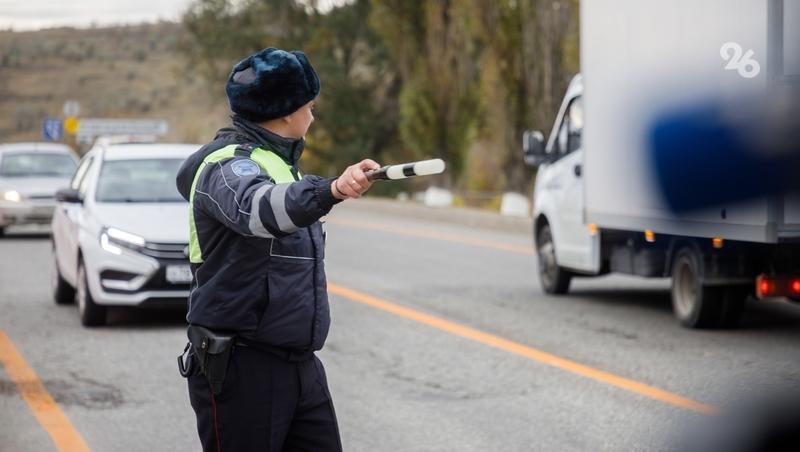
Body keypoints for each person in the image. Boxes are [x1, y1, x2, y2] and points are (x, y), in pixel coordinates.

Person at [175, 47, 380, 452]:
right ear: (288, 112)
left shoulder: (281, 164)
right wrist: (333, 189)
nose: (313, 114)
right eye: (310, 105)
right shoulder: (228, 166)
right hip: (242, 368)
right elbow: (260, 210)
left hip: (300, 366)